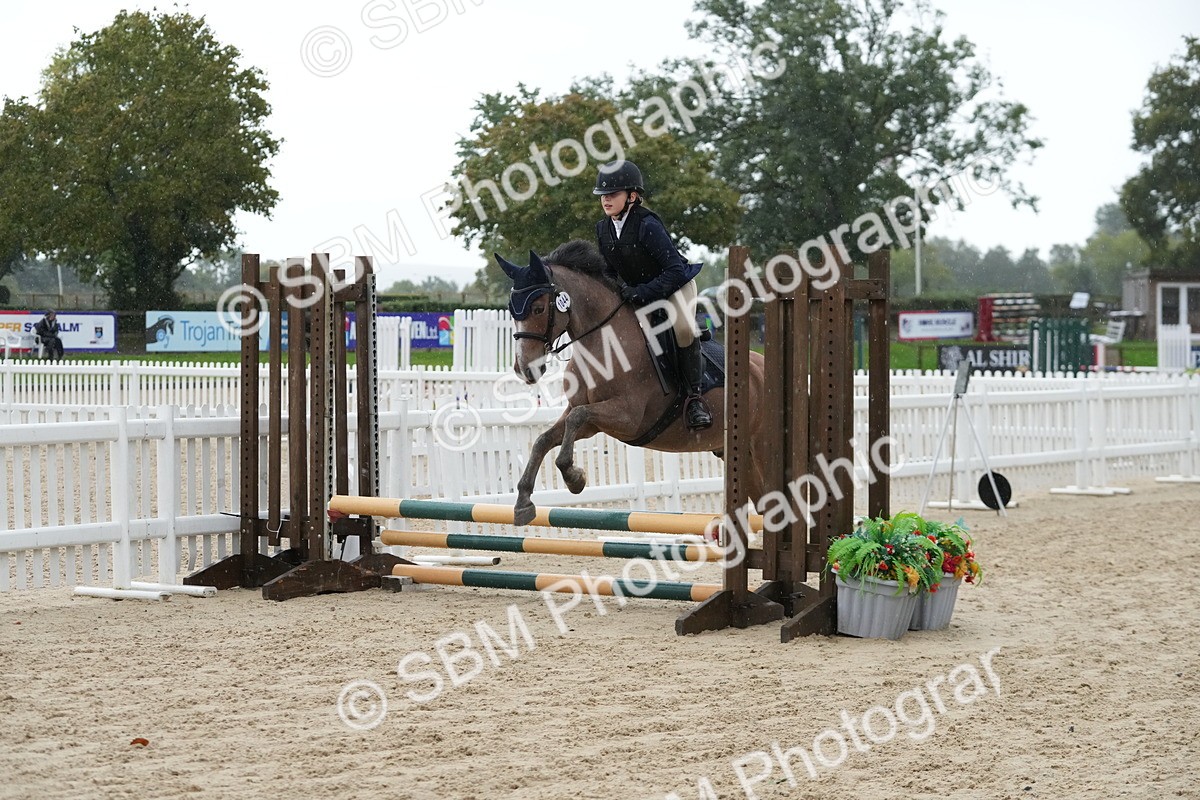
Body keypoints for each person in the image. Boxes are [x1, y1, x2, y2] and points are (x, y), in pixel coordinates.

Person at [593, 160, 712, 431]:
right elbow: (609, 271)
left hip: (676, 286)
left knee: (682, 328)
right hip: (640, 292)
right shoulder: (603, 229)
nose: (606, 200)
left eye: (613, 194)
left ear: (632, 196)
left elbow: (673, 270)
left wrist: (642, 292)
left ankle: (695, 398)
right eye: (603, 195)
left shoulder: (647, 225)